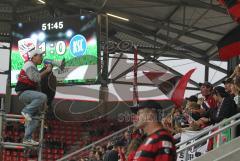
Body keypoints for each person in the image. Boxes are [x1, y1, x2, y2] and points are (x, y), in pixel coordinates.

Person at [15, 49, 52, 145]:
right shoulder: (29, 64)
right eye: (40, 56)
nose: (42, 57)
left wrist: (44, 104)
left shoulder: (33, 67)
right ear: (34, 56)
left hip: (28, 93)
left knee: (35, 118)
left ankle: (27, 138)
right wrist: (46, 71)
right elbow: (35, 78)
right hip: (23, 92)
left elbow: (37, 87)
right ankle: (26, 111)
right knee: (43, 96)